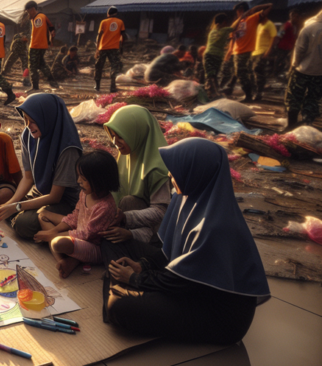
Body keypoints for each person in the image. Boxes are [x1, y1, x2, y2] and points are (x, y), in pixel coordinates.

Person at [102, 138, 269, 344]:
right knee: (111, 241)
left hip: (212, 315)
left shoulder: (216, 225)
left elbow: (182, 282)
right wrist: (142, 266)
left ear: (198, 171)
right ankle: (126, 290)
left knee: (119, 307)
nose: (170, 175)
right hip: (185, 287)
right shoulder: (185, 198)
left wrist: (135, 279)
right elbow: (168, 253)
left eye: (176, 170)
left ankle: (125, 291)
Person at [0, 94, 81, 239]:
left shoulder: (67, 148)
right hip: (41, 193)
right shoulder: (27, 135)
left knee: (23, 223)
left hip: (66, 201)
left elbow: (55, 196)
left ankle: (66, 231)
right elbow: (28, 178)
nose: (28, 125)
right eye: (25, 119)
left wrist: (17, 206)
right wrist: (10, 204)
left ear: (47, 119)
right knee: (5, 210)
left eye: (33, 121)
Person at [33, 151, 120, 278]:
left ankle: (69, 259)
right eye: (79, 176)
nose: (79, 181)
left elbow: (86, 234)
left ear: (100, 180)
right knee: (43, 214)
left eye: (83, 179)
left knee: (57, 242)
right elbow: (75, 217)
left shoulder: (105, 206)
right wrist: (54, 231)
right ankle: (66, 261)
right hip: (78, 233)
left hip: (94, 247)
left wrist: (53, 234)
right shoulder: (85, 193)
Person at [102, 105, 172, 244]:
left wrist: (126, 219)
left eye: (121, 137)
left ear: (137, 134)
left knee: (128, 201)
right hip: (128, 222)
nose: (116, 143)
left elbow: (161, 212)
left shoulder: (157, 169)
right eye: (113, 137)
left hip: (152, 232)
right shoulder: (126, 156)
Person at [222, 1, 272, 102]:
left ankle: (249, 95)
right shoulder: (236, 23)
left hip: (247, 51)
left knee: (243, 74)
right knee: (241, 74)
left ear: (242, 10)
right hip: (236, 52)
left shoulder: (252, 18)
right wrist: (230, 51)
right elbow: (232, 37)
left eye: (239, 10)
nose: (237, 13)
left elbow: (269, 6)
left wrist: (252, 10)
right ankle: (250, 94)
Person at [284, 10, 322, 130]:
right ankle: (307, 125)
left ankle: (291, 126)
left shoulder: (308, 28)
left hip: (302, 70)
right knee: (312, 99)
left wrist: (294, 65)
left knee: (293, 97)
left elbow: (300, 49)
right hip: (319, 72)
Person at [24, 1, 58, 91]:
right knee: (42, 64)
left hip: (36, 46)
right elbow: (51, 27)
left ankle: (35, 87)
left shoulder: (38, 18)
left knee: (32, 66)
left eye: (28, 12)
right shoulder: (42, 16)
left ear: (32, 9)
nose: (28, 14)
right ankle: (53, 82)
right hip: (42, 46)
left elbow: (38, 33)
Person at [94, 6, 125, 93]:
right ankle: (112, 86)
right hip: (114, 48)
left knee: (99, 66)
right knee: (114, 67)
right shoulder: (120, 22)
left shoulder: (103, 22)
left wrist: (97, 49)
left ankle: (97, 85)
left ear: (108, 14)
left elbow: (99, 35)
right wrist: (121, 47)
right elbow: (123, 35)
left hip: (103, 48)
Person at [203, 13, 231, 98]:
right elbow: (234, 27)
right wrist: (242, 16)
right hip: (215, 56)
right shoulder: (223, 30)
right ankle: (213, 93)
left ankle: (213, 93)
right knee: (212, 76)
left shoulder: (213, 31)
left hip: (212, 55)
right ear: (224, 22)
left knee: (211, 76)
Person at [251, 16, 277, 101]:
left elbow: (274, 37)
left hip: (263, 52)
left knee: (258, 72)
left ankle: (259, 93)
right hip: (255, 52)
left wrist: (268, 51)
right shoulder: (259, 25)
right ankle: (255, 92)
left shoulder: (269, 24)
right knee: (254, 73)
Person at [271, 8, 301, 76]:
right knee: (279, 61)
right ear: (292, 16)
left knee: (289, 61)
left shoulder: (296, 26)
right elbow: (279, 35)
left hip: (290, 47)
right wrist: (274, 46)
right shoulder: (286, 25)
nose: (297, 19)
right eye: (295, 17)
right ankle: (275, 74)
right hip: (282, 47)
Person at [2, 18, 31, 87]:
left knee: (25, 65)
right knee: (9, 62)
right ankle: (3, 73)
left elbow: (27, 40)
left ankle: (26, 79)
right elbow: (14, 42)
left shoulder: (28, 34)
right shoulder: (17, 35)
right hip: (16, 50)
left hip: (22, 51)